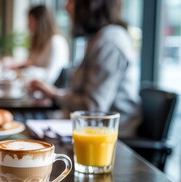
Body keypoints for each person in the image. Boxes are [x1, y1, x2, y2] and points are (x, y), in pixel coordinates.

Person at [29, 0, 141, 137]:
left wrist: (55, 94)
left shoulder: (109, 42)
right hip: (88, 128)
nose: (66, 6)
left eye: (71, 1)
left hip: (110, 138)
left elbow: (92, 109)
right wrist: (55, 95)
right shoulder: (99, 38)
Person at [12, 5, 69, 85]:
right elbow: (32, 62)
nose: (28, 25)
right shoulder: (39, 42)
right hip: (35, 88)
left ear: (41, 21)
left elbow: (50, 76)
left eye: (31, 20)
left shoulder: (56, 42)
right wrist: (17, 65)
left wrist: (28, 71)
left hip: (49, 92)